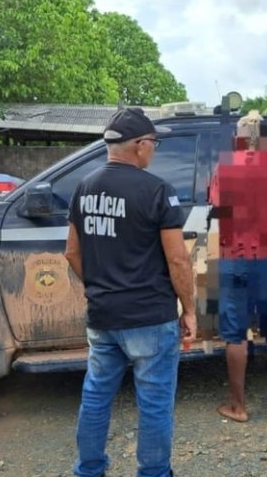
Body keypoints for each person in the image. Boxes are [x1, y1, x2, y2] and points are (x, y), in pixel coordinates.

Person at [65, 107, 196, 477]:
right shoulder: (156, 190)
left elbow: (71, 252)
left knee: (95, 395)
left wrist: (97, 287)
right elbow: (178, 261)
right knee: (154, 404)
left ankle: (88, 470)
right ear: (139, 145)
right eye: (153, 143)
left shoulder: (84, 188)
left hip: (103, 317)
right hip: (150, 318)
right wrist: (189, 310)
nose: (154, 150)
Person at [208, 111, 267, 422]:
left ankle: (238, 407)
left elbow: (218, 211)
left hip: (235, 257)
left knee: (235, 335)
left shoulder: (225, 166)